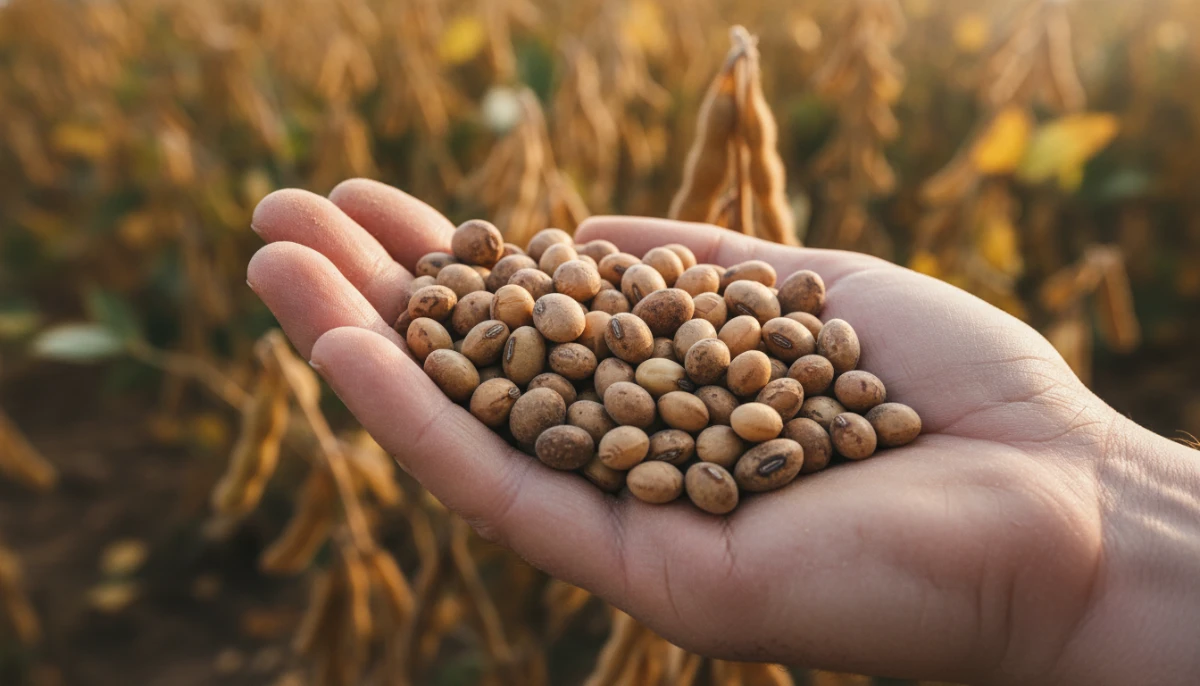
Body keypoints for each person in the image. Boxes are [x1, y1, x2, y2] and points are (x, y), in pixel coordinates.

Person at [246, 178, 1199, 685]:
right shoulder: (580, 342)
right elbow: (621, 379)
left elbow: (675, 394)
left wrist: (1093, 535)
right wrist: (1100, 534)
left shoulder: (782, 388)